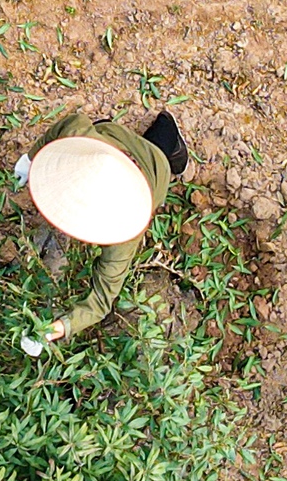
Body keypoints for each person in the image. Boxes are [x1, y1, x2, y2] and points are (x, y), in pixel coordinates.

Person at [14, 108, 190, 353]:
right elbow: (70, 122)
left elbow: (101, 300)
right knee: (104, 127)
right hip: (109, 139)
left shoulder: (127, 231)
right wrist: (31, 158)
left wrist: (52, 330)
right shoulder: (80, 137)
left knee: (161, 141)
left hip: (153, 166)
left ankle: (170, 137)